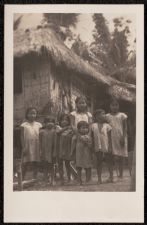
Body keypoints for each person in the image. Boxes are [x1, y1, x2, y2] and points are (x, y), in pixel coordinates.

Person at [106, 99, 128, 179]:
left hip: (121, 137)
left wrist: (123, 137)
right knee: (112, 155)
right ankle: (111, 174)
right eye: (113, 105)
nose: (114, 107)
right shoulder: (107, 116)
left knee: (121, 156)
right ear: (110, 106)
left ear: (118, 106)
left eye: (116, 105)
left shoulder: (122, 115)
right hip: (111, 137)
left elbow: (125, 128)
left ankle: (121, 174)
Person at [91, 109, 113, 184]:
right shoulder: (93, 126)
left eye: (104, 114)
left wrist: (110, 147)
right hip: (98, 146)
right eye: (102, 114)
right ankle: (99, 179)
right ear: (97, 116)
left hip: (106, 146)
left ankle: (111, 177)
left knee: (109, 161)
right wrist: (93, 147)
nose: (104, 115)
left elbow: (110, 138)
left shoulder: (108, 126)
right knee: (99, 162)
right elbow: (92, 138)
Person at [20, 107, 42, 180]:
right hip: (27, 145)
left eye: (34, 113)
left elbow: (41, 135)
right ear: (27, 114)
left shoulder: (39, 125)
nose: (32, 115)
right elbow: (22, 137)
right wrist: (23, 147)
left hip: (36, 144)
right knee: (25, 162)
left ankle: (34, 178)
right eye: (30, 113)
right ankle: (22, 178)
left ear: (36, 115)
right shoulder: (24, 125)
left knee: (35, 161)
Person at [71, 121, 93, 185]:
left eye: (86, 128)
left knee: (88, 167)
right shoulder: (76, 136)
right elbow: (73, 145)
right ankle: (79, 180)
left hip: (87, 153)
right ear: (78, 129)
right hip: (79, 154)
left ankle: (88, 180)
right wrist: (72, 152)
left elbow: (91, 146)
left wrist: (88, 144)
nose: (85, 129)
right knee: (78, 167)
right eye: (83, 128)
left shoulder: (89, 137)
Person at [57, 113, 73, 185]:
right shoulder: (58, 127)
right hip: (59, 149)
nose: (64, 121)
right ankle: (61, 179)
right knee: (60, 164)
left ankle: (69, 178)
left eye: (66, 120)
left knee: (67, 164)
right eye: (62, 120)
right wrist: (67, 128)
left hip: (67, 149)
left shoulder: (71, 129)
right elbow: (58, 132)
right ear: (59, 121)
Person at [39, 116, 56, 185]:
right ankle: (45, 180)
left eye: (52, 122)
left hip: (52, 151)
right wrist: (40, 151)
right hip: (44, 151)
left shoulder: (54, 131)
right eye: (48, 122)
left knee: (52, 166)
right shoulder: (42, 132)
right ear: (44, 123)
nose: (50, 123)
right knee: (45, 166)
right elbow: (39, 142)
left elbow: (55, 143)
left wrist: (54, 152)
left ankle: (52, 180)